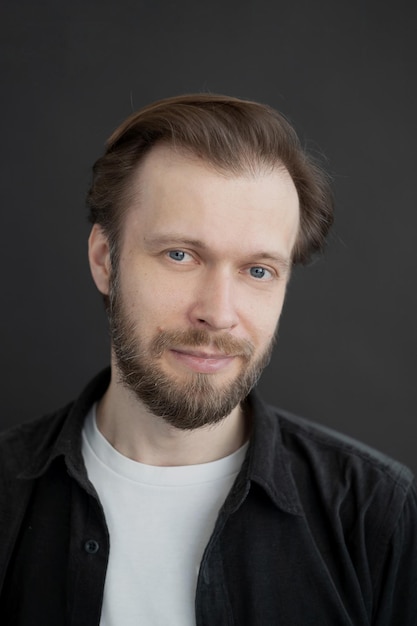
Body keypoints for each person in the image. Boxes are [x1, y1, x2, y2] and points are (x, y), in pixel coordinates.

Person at [0, 94, 415, 626]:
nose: (218, 314)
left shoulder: (374, 515)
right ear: (105, 260)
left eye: (258, 270)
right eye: (180, 255)